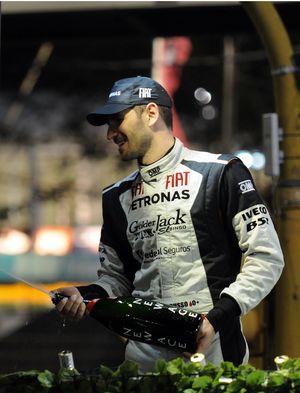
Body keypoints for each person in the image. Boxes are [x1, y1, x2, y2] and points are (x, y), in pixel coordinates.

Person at [53, 75, 284, 373]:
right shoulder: (115, 197)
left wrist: (215, 320)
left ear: (151, 113)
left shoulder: (222, 173)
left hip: (215, 361)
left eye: (116, 120)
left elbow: (267, 257)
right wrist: (85, 296)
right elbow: (116, 279)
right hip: (143, 370)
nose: (110, 134)